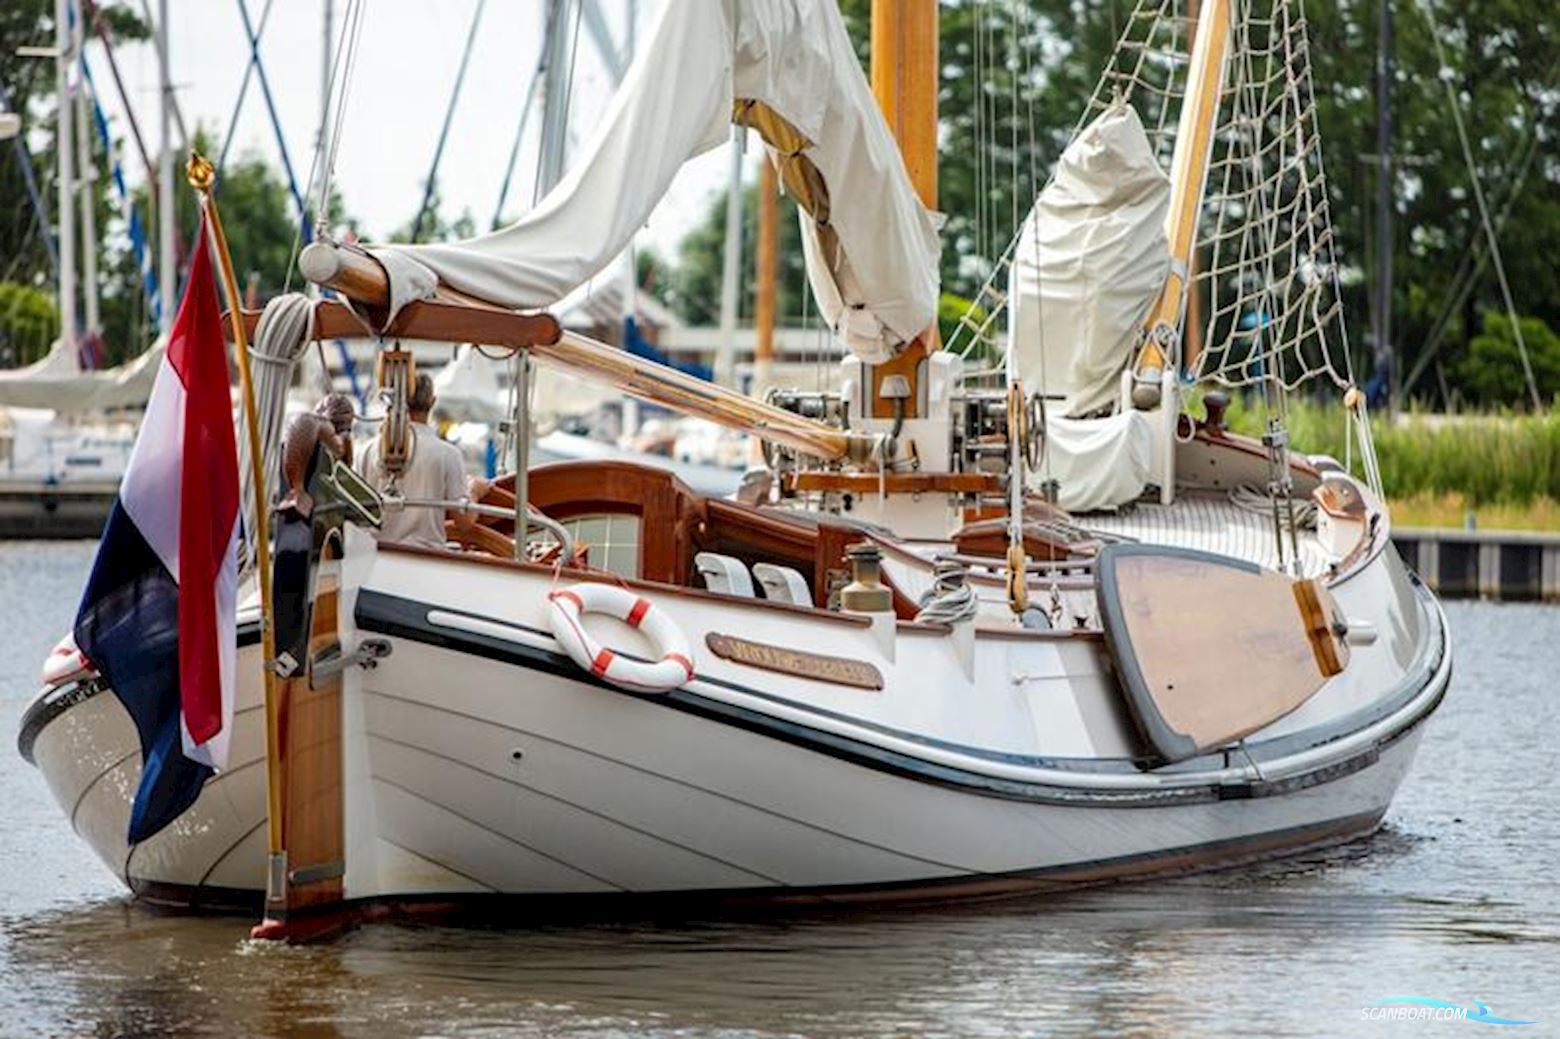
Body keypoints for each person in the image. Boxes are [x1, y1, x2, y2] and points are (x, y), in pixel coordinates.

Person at [356, 373, 489, 549]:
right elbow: (464, 522)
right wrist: (475, 492)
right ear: (432, 402)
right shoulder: (447, 454)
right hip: (425, 557)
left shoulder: (365, 451)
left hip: (375, 556)